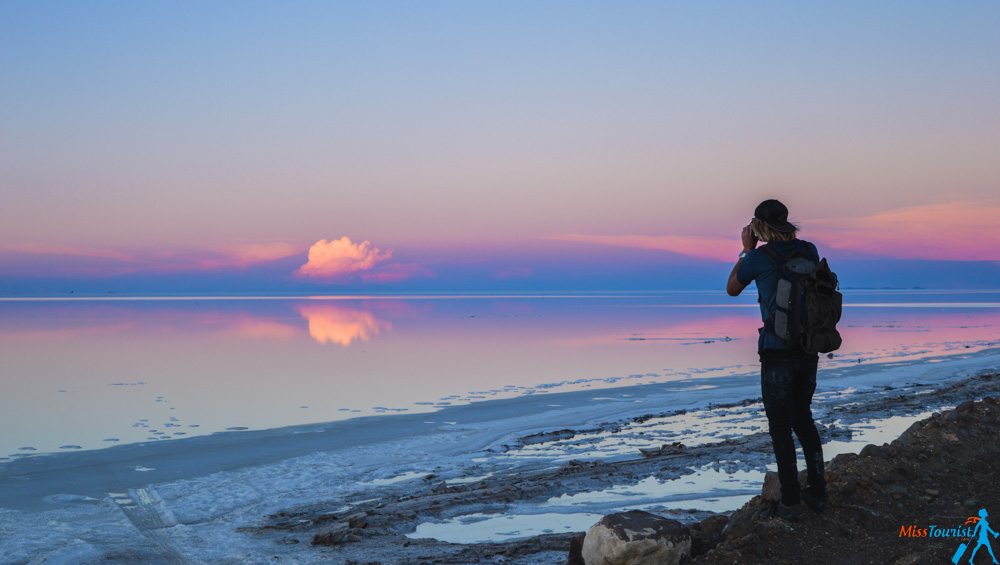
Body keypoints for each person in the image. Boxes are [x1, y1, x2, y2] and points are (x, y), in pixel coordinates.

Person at [726, 199, 827, 519]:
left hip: (776, 352)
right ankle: (818, 491)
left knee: (780, 428)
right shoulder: (809, 251)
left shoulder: (758, 257)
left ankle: (791, 501)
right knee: (803, 418)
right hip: (808, 348)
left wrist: (745, 248)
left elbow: (731, 288)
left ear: (758, 226)